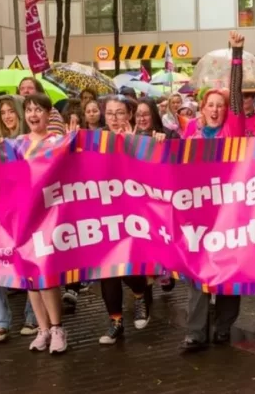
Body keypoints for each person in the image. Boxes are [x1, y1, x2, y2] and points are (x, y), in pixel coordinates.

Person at [179, 31, 246, 351]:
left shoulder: (233, 130)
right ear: (202, 108)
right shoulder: (190, 133)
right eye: (211, 105)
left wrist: (237, 54)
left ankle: (222, 326)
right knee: (197, 274)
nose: (217, 110)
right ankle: (195, 331)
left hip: (230, 214)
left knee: (229, 273)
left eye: (221, 106)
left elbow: (235, 96)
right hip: (198, 215)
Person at [95, 94, 157, 345]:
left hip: (134, 213)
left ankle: (141, 293)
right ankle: (116, 321)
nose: (114, 118)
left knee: (128, 266)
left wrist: (133, 144)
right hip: (102, 213)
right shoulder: (95, 139)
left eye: (120, 113)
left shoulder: (141, 140)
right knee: (107, 269)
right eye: (109, 113)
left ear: (129, 115)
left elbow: (152, 172)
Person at [17, 93, 71, 354]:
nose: (33, 114)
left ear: (49, 114)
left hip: (49, 216)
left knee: (46, 273)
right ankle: (43, 329)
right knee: (30, 276)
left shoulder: (58, 142)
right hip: (23, 216)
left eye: (38, 109)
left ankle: (58, 327)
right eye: (28, 110)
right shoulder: (16, 144)